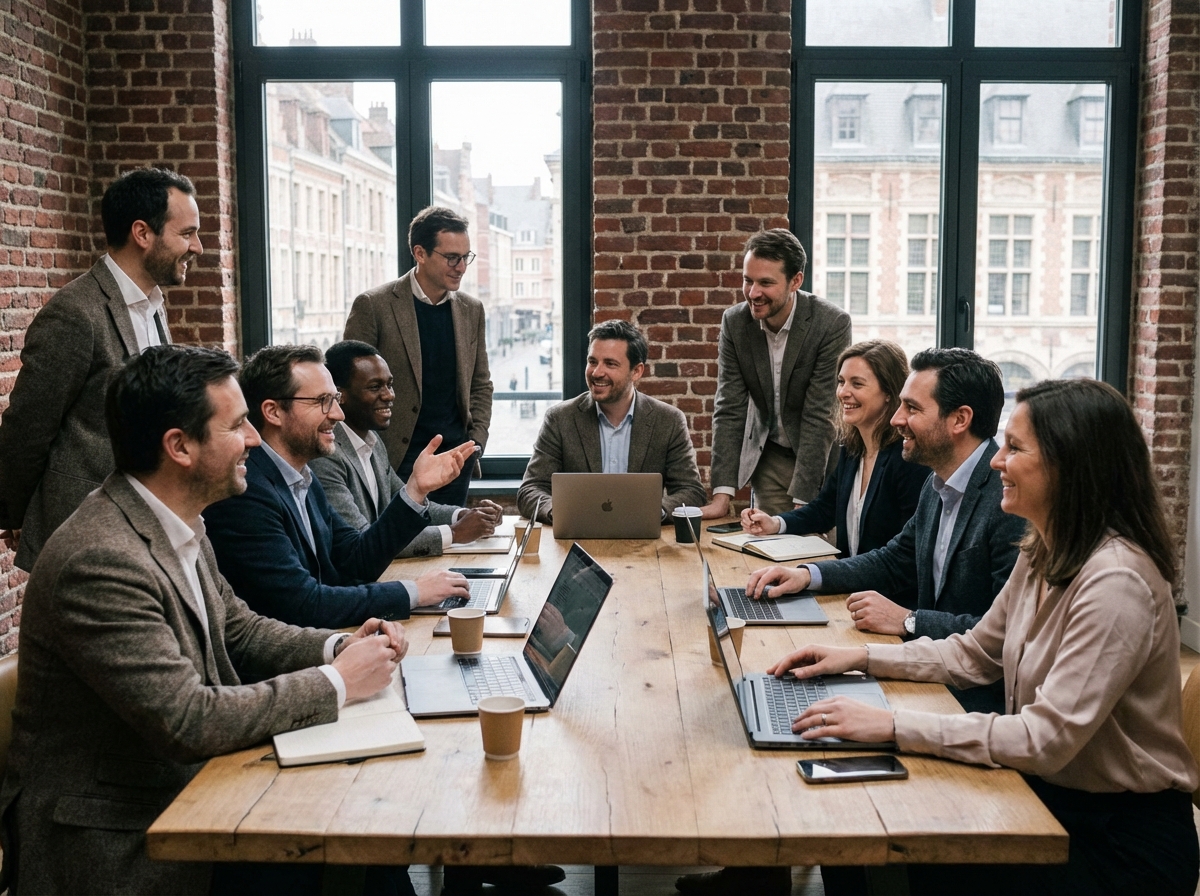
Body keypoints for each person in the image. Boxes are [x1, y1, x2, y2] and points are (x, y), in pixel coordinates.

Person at [0, 344, 407, 895]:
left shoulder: (176, 520)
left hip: (191, 791)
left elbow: (239, 628)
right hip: (120, 835)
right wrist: (338, 682)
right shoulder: (100, 559)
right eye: (238, 425)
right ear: (180, 446)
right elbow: (187, 719)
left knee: (365, 838)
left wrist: (337, 646)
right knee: (347, 853)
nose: (255, 440)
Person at [774, 378, 1200, 896]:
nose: (997, 460)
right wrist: (858, 658)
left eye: (1016, 449)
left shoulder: (1117, 582)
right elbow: (976, 653)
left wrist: (890, 725)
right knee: (857, 808)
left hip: (1117, 842)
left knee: (898, 838)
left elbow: (1043, 740)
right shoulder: (1043, 547)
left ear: (1071, 466)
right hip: (1055, 797)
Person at [747, 347, 1025, 714]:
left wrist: (908, 620)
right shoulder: (938, 483)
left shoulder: (1008, 501)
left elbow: (1003, 634)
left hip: (974, 700)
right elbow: (895, 558)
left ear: (960, 419)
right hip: (928, 669)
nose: (896, 419)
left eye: (912, 408)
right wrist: (807, 575)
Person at [0, 167, 199, 571]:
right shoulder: (75, 313)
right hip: (84, 532)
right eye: (187, 233)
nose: (198, 246)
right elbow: (29, 425)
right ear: (142, 233)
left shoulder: (155, 305)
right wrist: (18, 512)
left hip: (148, 526)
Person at [204, 345, 473, 629]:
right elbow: (304, 604)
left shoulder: (302, 475)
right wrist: (414, 592)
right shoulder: (247, 491)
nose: (338, 414)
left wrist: (416, 489)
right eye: (322, 401)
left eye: (335, 399)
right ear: (273, 412)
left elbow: (356, 559)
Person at [742, 339, 930, 606]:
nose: (843, 392)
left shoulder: (908, 459)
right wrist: (776, 523)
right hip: (848, 591)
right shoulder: (852, 448)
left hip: (886, 604)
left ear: (889, 392)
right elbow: (824, 509)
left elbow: (904, 560)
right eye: (841, 382)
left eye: (857, 383)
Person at [343, 206, 493, 507]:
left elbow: (480, 384)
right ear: (420, 253)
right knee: (397, 548)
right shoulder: (374, 305)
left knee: (451, 543)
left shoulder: (471, 309)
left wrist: (474, 443)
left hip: (454, 461)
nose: (461, 267)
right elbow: (349, 386)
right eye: (452, 257)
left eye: (466, 257)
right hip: (394, 462)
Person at [701, 228, 852, 518]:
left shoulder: (831, 324)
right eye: (748, 280)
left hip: (821, 460)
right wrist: (722, 493)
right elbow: (729, 407)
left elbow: (819, 413)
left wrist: (804, 499)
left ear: (796, 281)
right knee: (771, 547)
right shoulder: (735, 323)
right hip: (769, 456)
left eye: (766, 283)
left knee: (819, 552)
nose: (753, 293)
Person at [310, 340, 503, 556]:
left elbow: (405, 503)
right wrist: (454, 533)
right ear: (339, 395)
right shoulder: (327, 455)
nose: (389, 395)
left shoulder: (373, 441)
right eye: (375, 387)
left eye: (389, 385)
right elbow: (362, 541)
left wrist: (464, 515)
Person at [516, 319, 706, 524]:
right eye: (592, 361)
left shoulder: (668, 421)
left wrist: (650, 513)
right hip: (577, 539)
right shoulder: (560, 419)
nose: (597, 372)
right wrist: (561, 512)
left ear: (637, 371)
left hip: (644, 542)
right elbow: (530, 490)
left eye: (610, 364)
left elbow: (691, 492)